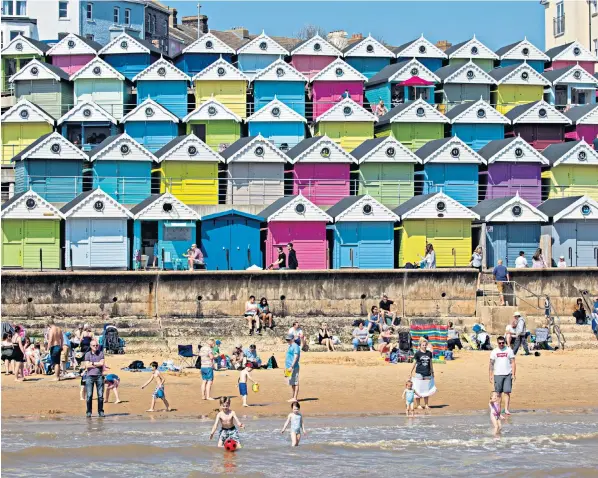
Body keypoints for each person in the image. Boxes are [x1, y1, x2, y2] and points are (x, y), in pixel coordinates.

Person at [489, 336, 516, 415]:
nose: (501, 344)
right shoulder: (494, 351)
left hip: (508, 374)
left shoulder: (509, 350)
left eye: (503, 343)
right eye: (499, 343)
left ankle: (506, 409)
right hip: (497, 374)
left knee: (507, 392)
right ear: (497, 343)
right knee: (498, 393)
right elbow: (491, 363)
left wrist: (514, 374)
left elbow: (513, 362)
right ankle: (498, 409)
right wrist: (490, 375)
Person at [410, 339, 434, 409]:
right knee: (418, 389)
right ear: (420, 346)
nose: (424, 346)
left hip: (427, 373)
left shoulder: (429, 353)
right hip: (419, 373)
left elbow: (431, 363)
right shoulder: (417, 353)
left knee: (426, 389)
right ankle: (418, 405)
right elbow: (414, 363)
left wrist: (432, 372)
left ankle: (426, 404)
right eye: (423, 345)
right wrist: (411, 371)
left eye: (425, 345)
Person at [84, 340, 105, 417]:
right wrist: (96, 364)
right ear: (90, 346)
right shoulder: (87, 354)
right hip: (89, 376)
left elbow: (102, 363)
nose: (95, 347)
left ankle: (100, 411)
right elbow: (87, 365)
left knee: (100, 396)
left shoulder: (101, 353)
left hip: (99, 376)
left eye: (96, 345)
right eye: (94, 345)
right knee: (89, 395)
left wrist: (92, 363)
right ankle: (88, 412)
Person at [285, 333, 301, 402]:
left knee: (295, 382)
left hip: (293, 367)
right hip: (288, 367)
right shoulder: (290, 346)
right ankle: (293, 396)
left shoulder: (295, 346)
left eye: (289, 340)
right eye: (287, 340)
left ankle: (295, 398)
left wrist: (291, 366)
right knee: (291, 382)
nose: (288, 341)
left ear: (293, 339)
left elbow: (295, 357)